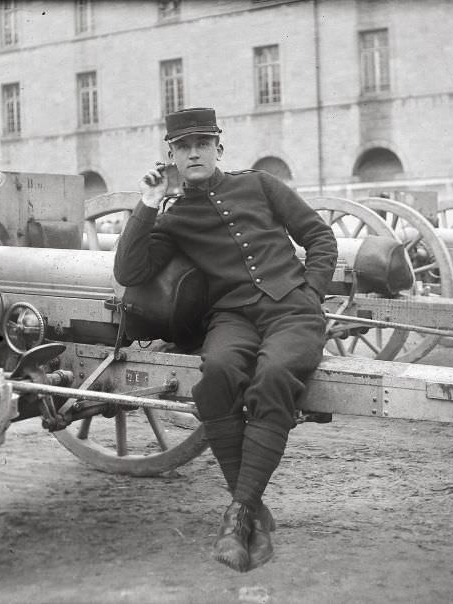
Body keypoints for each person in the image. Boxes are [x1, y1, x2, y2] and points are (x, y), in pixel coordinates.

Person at [114, 107, 338, 572]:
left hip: (292, 311)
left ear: (220, 146)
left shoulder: (259, 184)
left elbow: (319, 237)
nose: (193, 153)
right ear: (170, 155)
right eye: (182, 147)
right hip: (232, 317)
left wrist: (311, 293)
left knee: (274, 374)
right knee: (214, 375)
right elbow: (129, 272)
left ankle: (237, 518)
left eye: (202, 143)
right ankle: (249, 510)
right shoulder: (173, 215)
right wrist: (149, 202)